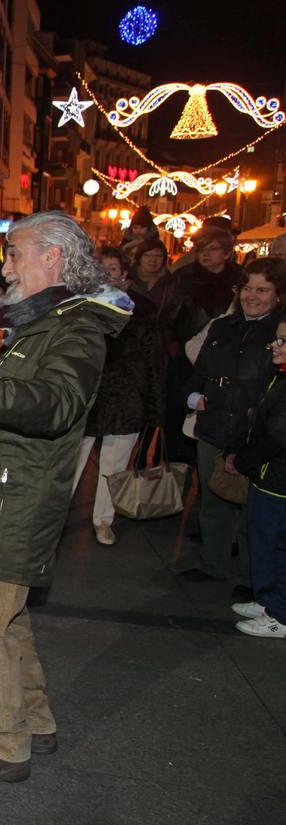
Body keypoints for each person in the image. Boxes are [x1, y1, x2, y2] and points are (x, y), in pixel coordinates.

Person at [0, 210, 134, 787]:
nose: (4, 264)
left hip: (23, 491)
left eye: (14, 253)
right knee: (8, 612)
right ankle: (32, 720)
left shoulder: (77, 327)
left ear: (52, 257)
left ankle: (4, 746)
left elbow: (58, 403)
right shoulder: (15, 313)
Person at [176, 257, 285, 589]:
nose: (252, 296)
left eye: (262, 290)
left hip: (255, 431)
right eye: (247, 288)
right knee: (213, 497)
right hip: (214, 422)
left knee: (253, 507)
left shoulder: (280, 333)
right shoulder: (223, 326)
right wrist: (194, 398)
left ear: (278, 295)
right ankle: (213, 564)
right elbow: (200, 371)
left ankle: (252, 578)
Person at [71, 247, 165, 545]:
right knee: (71, 462)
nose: (107, 274)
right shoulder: (79, 306)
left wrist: (153, 404)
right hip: (86, 394)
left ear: (124, 274)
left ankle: (103, 521)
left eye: (112, 269)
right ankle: (53, 517)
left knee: (114, 466)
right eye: (101, 268)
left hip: (126, 395)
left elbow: (153, 358)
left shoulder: (144, 310)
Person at [227, 314, 286, 637]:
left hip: (279, 482)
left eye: (283, 341)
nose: (275, 346)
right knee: (265, 542)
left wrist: (244, 461)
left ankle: (281, 614)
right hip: (269, 477)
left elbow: (278, 436)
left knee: (276, 546)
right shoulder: (279, 376)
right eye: (276, 339)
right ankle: (270, 601)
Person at [160, 228, 241, 465]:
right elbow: (167, 318)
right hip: (185, 361)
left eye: (212, 248)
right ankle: (178, 475)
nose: (205, 254)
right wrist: (174, 350)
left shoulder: (240, 279)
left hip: (226, 363)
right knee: (179, 422)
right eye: (201, 249)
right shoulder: (183, 278)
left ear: (227, 253)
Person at [129, 237, 173, 311]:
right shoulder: (127, 278)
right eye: (147, 255)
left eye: (158, 256)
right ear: (139, 258)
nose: (153, 260)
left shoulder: (172, 282)